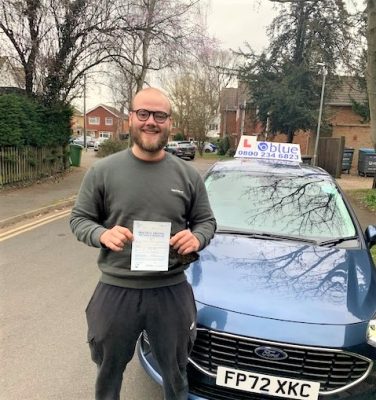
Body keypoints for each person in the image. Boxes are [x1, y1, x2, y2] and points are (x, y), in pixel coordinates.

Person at [70, 87, 216, 400]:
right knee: (108, 370)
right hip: (116, 290)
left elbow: (207, 222)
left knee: (176, 373)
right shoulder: (102, 171)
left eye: (159, 115)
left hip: (170, 291)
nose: (151, 121)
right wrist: (102, 234)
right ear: (130, 119)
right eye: (143, 114)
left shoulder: (188, 176)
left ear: (169, 122)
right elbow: (79, 220)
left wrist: (198, 237)